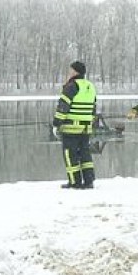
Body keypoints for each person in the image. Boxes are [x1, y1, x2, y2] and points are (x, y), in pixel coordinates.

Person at [53, 61, 97, 189]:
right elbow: (93, 108)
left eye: (70, 70)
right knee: (85, 154)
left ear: (75, 72)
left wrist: (56, 124)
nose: (68, 73)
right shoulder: (90, 86)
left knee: (70, 154)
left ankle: (74, 181)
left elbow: (63, 107)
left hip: (71, 128)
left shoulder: (71, 86)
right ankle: (89, 181)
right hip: (85, 128)